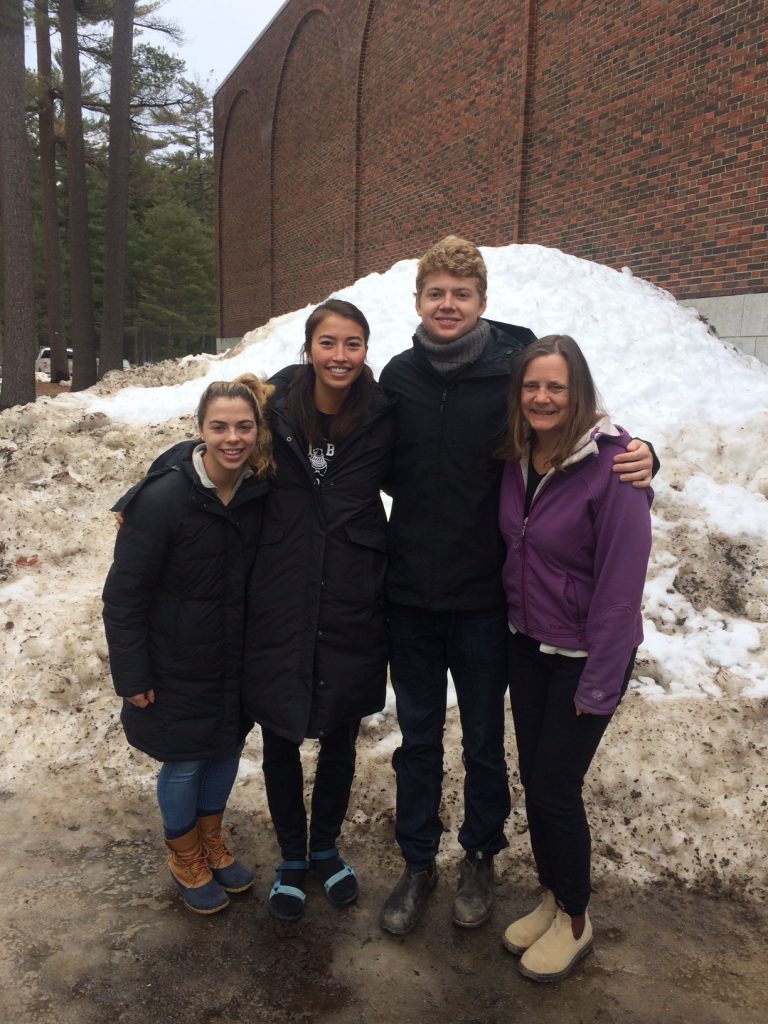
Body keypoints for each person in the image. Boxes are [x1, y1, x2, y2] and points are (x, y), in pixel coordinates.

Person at [377, 236, 656, 936]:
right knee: (416, 740)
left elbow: (574, 424)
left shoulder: (513, 368)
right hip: (408, 595)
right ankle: (417, 863)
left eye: (461, 294)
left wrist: (647, 454)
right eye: (436, 292)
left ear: (482, 302)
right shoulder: (397, 378)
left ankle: (479, 854)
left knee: (480, 740)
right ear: (417, 301)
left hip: (481, 604)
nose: (448, 304)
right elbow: (362, 454)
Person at [497, 334, 653, 981]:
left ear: (577, 392)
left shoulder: (615, 468)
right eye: (532, 385)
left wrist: (598, 684)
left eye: (555, 387)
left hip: (587, 657)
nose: (542, 397)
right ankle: (553, 895)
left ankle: (578, 920)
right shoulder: (519, 457)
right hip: (529, 647)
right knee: (537, 781)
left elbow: (621, 590)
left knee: (557, 789)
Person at [242, 299, 395, 922]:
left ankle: (326, 846)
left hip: (352, 595)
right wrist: (147, 484)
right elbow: (211, 445)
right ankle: (291, 858)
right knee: (280, 733)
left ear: (365, 350)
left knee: (339, 732)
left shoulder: (384, 415)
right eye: (328, 343)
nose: (340, 356)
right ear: (309, 347)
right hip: (279, 590)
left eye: (353, 343)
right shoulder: (271, 407)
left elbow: (445, 466)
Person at [102, 375, 275, 914]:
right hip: (174, 662)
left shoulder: (257, 493)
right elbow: (123, 596)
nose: (232, 437)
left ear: (256, 431)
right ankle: (184, 855)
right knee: (183, 762)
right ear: (200, 430)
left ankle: (211, 841)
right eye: (219, 426)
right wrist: (133, 675)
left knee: (223, 751)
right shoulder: (163, 500)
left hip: (231, 659)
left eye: (243, 426)